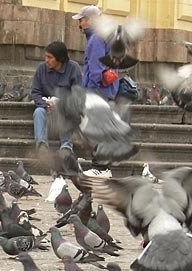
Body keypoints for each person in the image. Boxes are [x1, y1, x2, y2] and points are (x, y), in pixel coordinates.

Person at [73, 4, 117, 178]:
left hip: (97, 91)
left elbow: (96, 69)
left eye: (82, 20)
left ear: (90, 21)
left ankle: (101, 167)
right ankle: (102, 167)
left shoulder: (96, 39)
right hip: (105, 90)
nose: (79, 24)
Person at [31, 41, 82, 158]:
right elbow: (35, 92)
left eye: (50, 57)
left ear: (59, 59)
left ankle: (66, 146)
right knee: (38, 112)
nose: (46, 60)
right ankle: (42, 146)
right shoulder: (41, 69)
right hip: (47, 109)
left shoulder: (73, 68)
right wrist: (44, 104)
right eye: (46, 57)